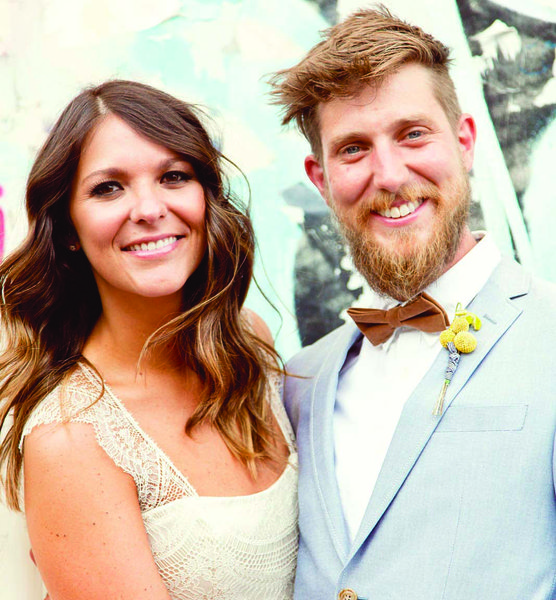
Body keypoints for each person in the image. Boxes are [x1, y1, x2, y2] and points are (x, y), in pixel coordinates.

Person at [270, 7, 556, 600]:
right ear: (321, 180)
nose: (390, 173)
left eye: (412, 134)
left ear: (465, 142)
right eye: (353, 149)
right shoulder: (297, 380)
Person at [0, 80, 298, 600]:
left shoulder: (250, 341)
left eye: (174, 176)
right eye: (108, 188)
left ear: (206, 198)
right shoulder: (72, 440)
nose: (148, 208)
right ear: (69, 228)